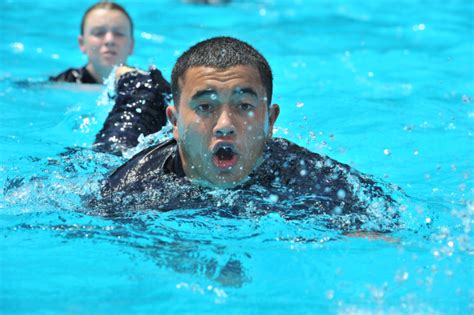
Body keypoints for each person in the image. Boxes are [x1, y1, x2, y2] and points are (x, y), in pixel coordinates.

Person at [95, 37, 398, 231]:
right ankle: (139, 85)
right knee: (113, 146)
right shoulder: (129, 186)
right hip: (127, 150)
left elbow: (383, 226)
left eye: (243, 105)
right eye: (205, 106)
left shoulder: (309, 175)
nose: (224, 124)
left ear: (270, 120)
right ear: (174, 122)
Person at [49, 2, 135, 84]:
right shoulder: (63, 83)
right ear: (82, 43)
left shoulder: (143, 83)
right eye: (99, 33)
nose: (109, 40)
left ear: (131, 45)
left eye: (119, 33)